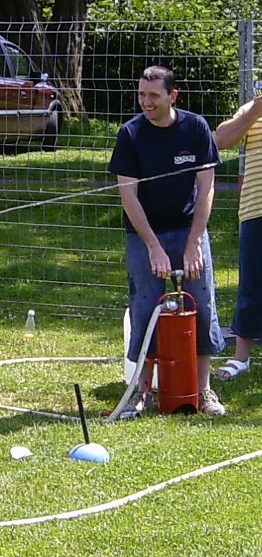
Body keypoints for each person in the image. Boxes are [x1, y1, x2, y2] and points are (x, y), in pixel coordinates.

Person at [109, 65, 225, 415]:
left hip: (189, 229)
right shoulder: (130, 135)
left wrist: (194, 243)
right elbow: (129, 197)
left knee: (200, 304)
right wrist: (154, 248)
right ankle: (142, 391)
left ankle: (203, 390)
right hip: (145, 234)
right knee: (146, 305)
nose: (146, 102)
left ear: (172, 96)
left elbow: (206, 189)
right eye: (142, 95)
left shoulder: (196, 128)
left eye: (154, 96)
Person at [214, 96, 262, 379]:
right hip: (256, 210)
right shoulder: (253, 109)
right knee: (252, 286)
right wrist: (256, 110)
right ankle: (241, 357)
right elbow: (221, 140)